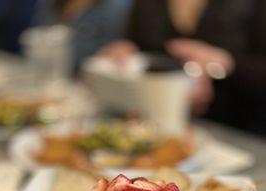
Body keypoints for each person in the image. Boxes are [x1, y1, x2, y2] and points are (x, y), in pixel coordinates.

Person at [98, 0, 266, 135]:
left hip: (239, 133)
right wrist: (124, 50)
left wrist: (227, 63)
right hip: (157, 127)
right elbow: (139, 46)